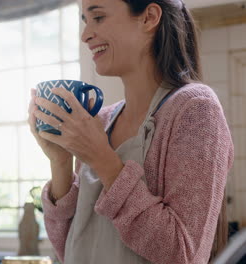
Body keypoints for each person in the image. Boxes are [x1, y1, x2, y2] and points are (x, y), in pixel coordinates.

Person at [28, 0, 234, 263]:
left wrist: (103, 159)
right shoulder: (100, 121)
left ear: (149, 17)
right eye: (85, 21)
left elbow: (183, 254)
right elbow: (69, 249)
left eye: (98, 18)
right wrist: (60, 161)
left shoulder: (195, 109)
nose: (85, 35)